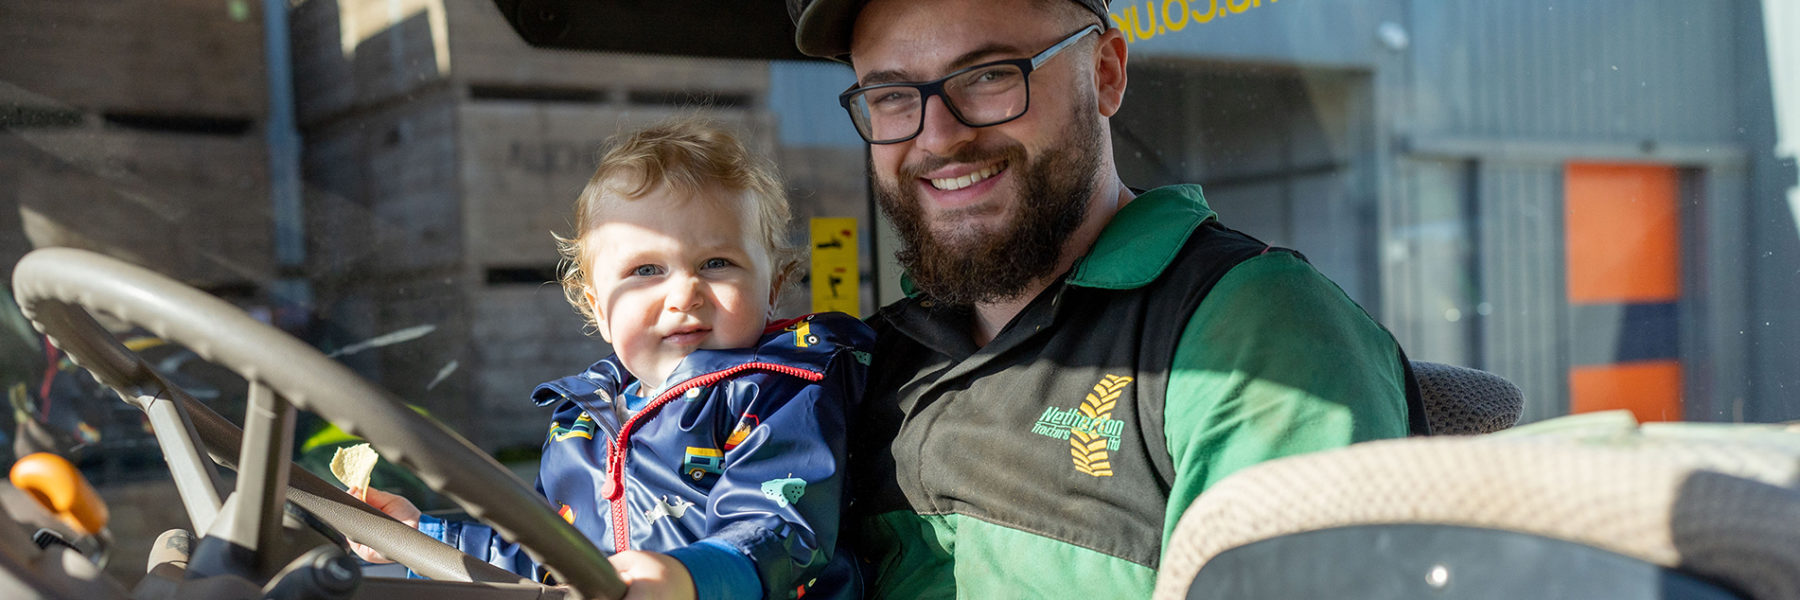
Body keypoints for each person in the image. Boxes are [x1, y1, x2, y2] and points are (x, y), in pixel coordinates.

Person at [787, 0, 1428, 597]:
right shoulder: (865, 359)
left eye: (986, 76)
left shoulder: (1250, 325)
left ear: (1106, 73)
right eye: (894, 95)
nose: (938, 137)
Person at [350, 119, 872, 600]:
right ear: (597, 309)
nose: (684, 293)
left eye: (717, 263)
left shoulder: (783, 392)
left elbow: (780, 526)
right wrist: (422, 540)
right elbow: (549, 559)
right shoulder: (581, 424)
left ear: (773, 288)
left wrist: (690, 578)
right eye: (647, 270)